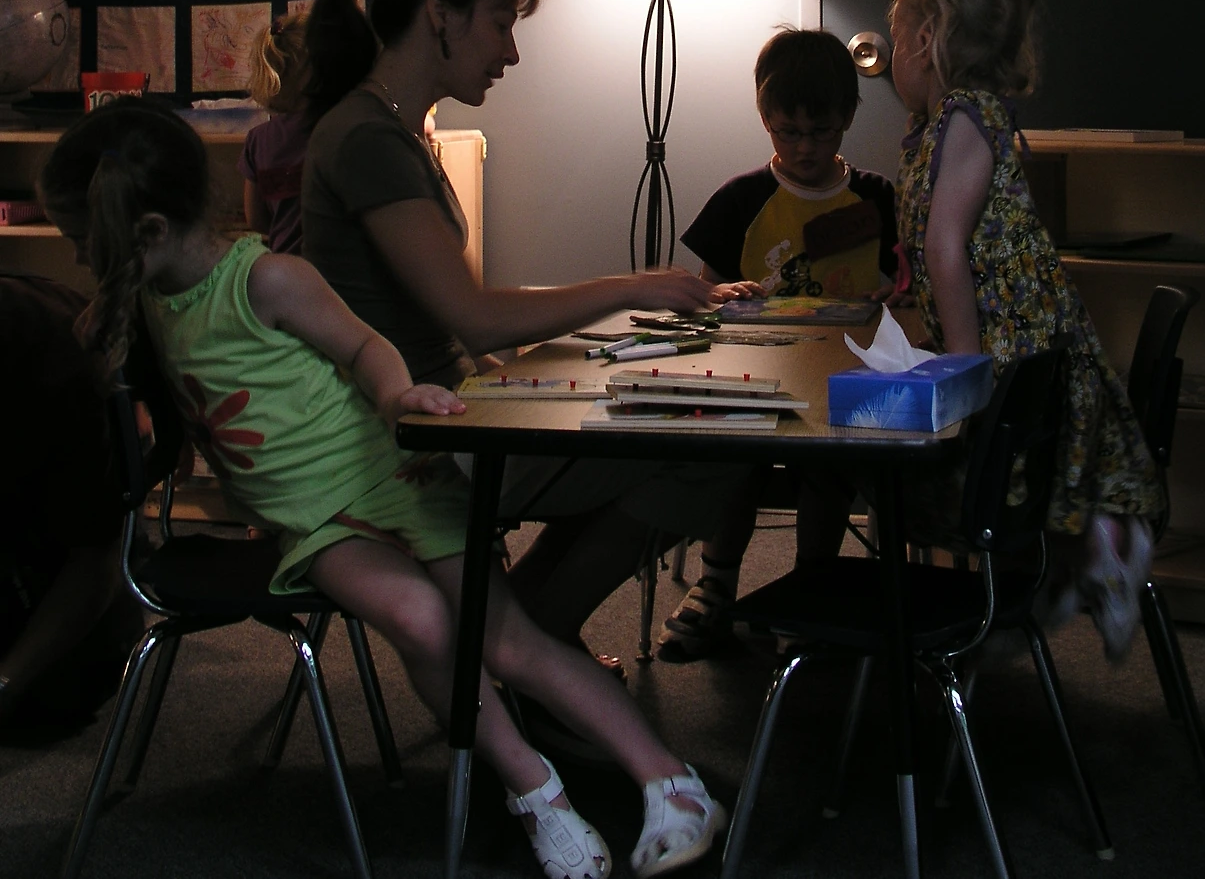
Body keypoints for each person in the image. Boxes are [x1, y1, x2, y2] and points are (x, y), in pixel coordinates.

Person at [38, 101, 727, 879]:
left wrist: (399, 396)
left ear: (149, 232)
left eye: (83, 241)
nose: (79, 257)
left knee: (506, 639)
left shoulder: (268, 277)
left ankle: (672, 784)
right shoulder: (148, 298)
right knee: (420, 621)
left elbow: (366, 348)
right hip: (315, 521)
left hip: (391, 477)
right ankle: (537, 791)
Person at [300, 0, 746, 655]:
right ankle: (537, 636)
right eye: (501, 24)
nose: (510, 53)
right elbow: (475, 318)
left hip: (449, 412)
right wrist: (634, 287)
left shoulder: (391, 131)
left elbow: (447, 321)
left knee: (644, 412)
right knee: (705, 448)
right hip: (417, 441)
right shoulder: (367, 140)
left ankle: (523, 629)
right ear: (440, 14)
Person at [887, 0, 1162, 659]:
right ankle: (1073, 563)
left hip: (1011, 338)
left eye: (896, 39)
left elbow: (947, 245)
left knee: (991, 464)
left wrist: (963, 364)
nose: (890, 61)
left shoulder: (965, 117)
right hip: (1011, 331)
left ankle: (1102, 546)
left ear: (927, 41)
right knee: (1015, 470)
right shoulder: (950, 123)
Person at [658, 29, 899, 660]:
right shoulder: (740, 199)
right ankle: (717, 583)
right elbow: (705, 299)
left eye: (821, 132)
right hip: (754, 381)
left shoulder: (877, 197)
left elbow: (905, 287)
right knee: (735, 459)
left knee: (829, 467)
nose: (805, 148)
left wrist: (891, 292)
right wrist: (723, 294)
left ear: (847, 118)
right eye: (788, 132)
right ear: (765, 118)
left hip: (842, 385)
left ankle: (810, 587)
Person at [0, 274, 138, 737]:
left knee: (57, 692)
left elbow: (95, 560)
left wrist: (4, 685)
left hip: (68, 559)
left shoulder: (60, 376)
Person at [239, 13, 311, 255]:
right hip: (330, 266)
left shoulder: (258, 140)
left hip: (284, 263)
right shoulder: (335, 129)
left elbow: (256, 219)